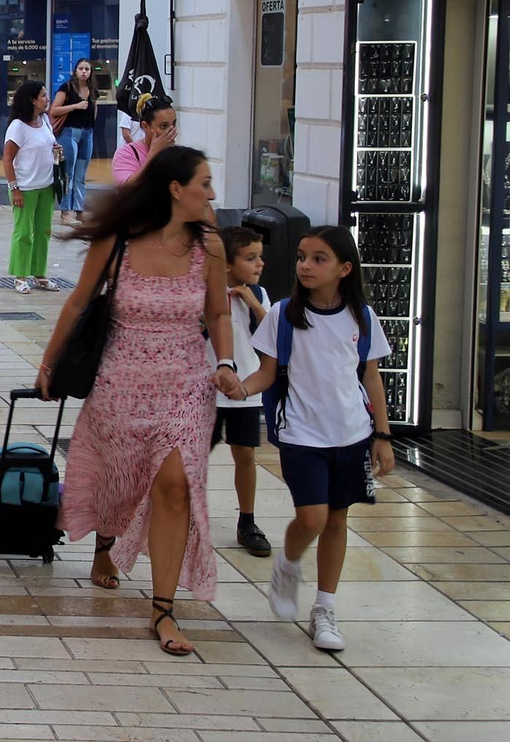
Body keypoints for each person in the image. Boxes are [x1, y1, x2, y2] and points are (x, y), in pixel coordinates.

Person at [36, 146, 245, 655]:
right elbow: (79, 300)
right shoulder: (119, 240)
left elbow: (218, 314)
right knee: (119, 481)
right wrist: (48, 364)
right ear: (176, 189)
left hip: (187, 385)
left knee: (174, 487)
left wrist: (225, 362)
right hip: (120, 382)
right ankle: (105, 543)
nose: (213, 193)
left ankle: (164, 610)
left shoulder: (209, 247)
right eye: (204, 182)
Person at [240, 226, 395, 653]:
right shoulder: (283, 315)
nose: (306, 265)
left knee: (337, 520)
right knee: (311, 518)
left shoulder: (362, 317)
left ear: (344, 269)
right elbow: (266, 373)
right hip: (300, 435)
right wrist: (241, 387)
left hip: (351, 435)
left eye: (319, 258)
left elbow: (371, 376)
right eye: (302, 257)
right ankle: (287, 566)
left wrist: (382, 435)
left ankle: (325, 608)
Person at [206, 226, 274, 558]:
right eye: (251, 258)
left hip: (246, 389)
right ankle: (189, 514)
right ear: (227, 264)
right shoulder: (207, 293)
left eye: (260, 257)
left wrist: (255, 305)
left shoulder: (259, 296)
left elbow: (273, 338)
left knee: (245, 455)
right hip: (206, 391)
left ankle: (247, 520)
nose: (259, 264)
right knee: (195, 456)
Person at [3, 80, 61, 295]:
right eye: (43, 96)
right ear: (32, 100)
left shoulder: (45, 120)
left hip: (46, 185)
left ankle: (39, 273)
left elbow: (47, 144)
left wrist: (55, 148)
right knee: (24, 232)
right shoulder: (18, 126)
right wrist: (14, 187)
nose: (47, 99)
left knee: (44, 231)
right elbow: (7, 160)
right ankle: (20, 276)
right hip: (25, 187)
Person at [48, 59, 96, 222]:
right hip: (69, 132)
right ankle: (65, 211)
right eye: (81, 68)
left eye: (87, 69)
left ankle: (79, 208)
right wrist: (74, 106)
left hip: (87, 133)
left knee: (81, 174)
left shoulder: (92, 90)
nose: (84, 72)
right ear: (75, 71)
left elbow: (94, 109)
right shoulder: (67, 88)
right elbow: (54, 110)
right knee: (68, 172)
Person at [114, 93, 179, 183]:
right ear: (145, 126)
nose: (171, 131)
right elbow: (127, 189)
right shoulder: (126, 153)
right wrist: (153, 154)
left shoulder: (177, 155)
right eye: (163, 126)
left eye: (174, 124)